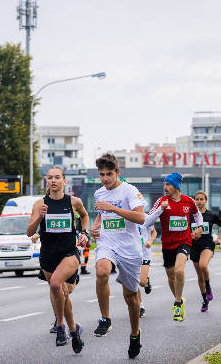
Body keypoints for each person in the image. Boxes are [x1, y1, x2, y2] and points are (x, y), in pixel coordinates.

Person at [26, 166, 89, 353]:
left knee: (55, 284)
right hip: (48, 255)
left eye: (57, 177)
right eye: (50, 178)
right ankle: (74, 332)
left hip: (69, 252)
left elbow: (84, 216)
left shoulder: (74, 202)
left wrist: (84, 232)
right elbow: (29, 232)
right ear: (47, 181)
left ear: (64, 181)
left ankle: (60, 326)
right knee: (63, 293)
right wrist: (39, 217)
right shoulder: (39, 204)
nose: (53, 181)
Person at [89, 153, 146, 359]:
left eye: (109, 174)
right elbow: (102, 214)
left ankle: (134, 334)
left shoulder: (130, 191)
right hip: (107, 242)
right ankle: (105, 319)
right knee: (102, 272)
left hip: (129, 248)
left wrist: (113, 207)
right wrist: (95, 228)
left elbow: (140, 218)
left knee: (131, 298)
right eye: (102, 175)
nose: (105, 179)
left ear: (118, 173)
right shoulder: (99, 193)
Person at [143, 173, 203, 322]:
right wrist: (160, 211)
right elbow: (147, 222)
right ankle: (179, 299)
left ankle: (177, 304)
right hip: (167, 244)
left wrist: (199, 227)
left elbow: (197, 215)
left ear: (176, 186)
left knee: (178, 270)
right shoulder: (161, 201)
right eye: (164, 184)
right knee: (170, 276)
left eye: (168, 185)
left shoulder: (188, 201)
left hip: (184, 241)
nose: (165, 188)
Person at [190, 190, 221, 313]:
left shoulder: (211, 215)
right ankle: (205, 300)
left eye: (201, 199)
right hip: (194, 246)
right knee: (199, 276)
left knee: (203, 264)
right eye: (197, 199)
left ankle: (208, 286)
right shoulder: (190, 215)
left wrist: (219, 238)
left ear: (206, 201)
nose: (199, 201)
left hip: (207, 244)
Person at [137, 225, 156, 317]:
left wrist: (150, 241)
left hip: (144, 254)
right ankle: (141, 307)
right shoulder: (126, 216)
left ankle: (146, 280)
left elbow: (154, 232)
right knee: (133, 282)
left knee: (142, 282)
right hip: (130, 253)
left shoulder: (146, 218)